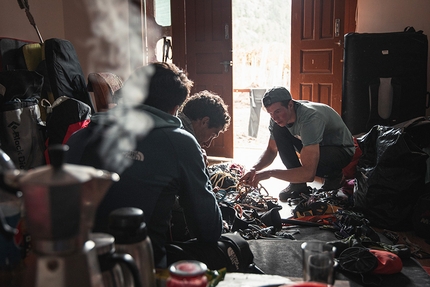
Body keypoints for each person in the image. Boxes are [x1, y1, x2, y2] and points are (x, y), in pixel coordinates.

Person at [65, 62, 223, 269]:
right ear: (175, 108)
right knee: (228, 248)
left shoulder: (78, 138)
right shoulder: (180, 142)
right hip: (140, 268)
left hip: (73, 266)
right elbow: (208, 230)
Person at [240, 86, 355, 202]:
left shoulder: (310, 118)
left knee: (315, 163)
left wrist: (269, 173)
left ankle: (334, 177)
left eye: (277, 111)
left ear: (290, 105)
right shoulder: (277, 119)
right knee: (278, 128)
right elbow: (271, 150)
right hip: (317, 146)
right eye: (270, 113)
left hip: (340, 151)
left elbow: (309, 174)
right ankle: (298, 185)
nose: (274, 117)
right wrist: (254, 169)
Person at [177, 90, 231, 165]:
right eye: (212, 135)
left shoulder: (172, 124)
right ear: (204, 122)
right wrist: (200, 166)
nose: (208, 144)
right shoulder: (187, 145)